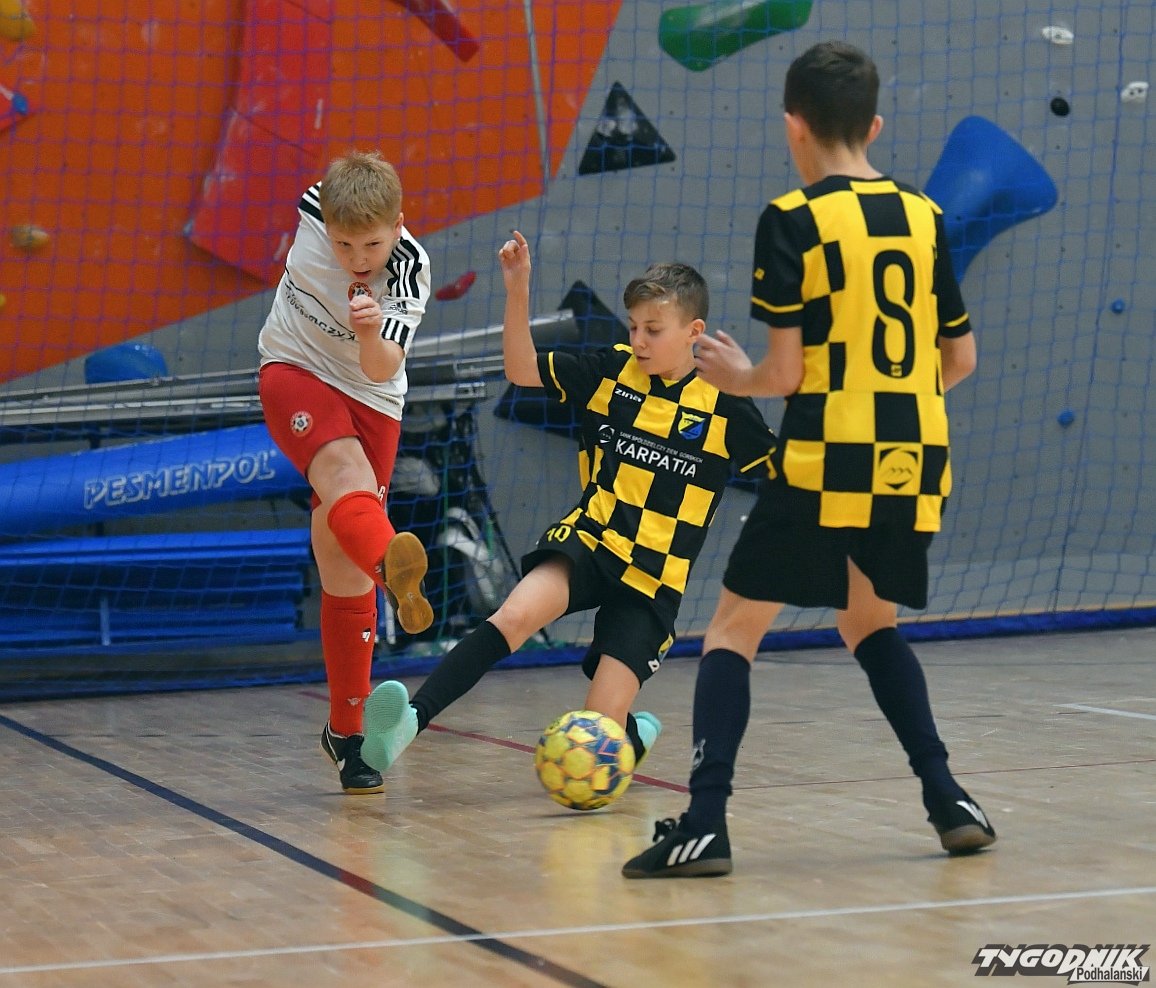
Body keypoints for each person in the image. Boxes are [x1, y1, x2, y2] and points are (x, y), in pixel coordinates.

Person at [622, 40, 991, 879]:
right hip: (914, 459)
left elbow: (783, 375)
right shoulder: (924, 215)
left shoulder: (794, 217)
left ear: (793, 125)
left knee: (733, 629)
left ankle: (705, 823)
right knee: (868, 621)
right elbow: (961, 359)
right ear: (874, 125)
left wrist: (735, 377)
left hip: (827, 455)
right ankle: (949, 799)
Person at [357, 230, 780, 781]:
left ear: (693, 332)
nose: (639, 340)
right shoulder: (612, 371)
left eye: (653, 330)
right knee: (513, 617)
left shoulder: (725, 404)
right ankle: (408, 723)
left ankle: (629, 733)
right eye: (634, 327)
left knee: (597, 735)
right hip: (591, 541)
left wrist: (760, 382)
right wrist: (518, 289)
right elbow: (521, 370)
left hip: (652, 580)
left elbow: (790, 471)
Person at [257, 149, 435, 796]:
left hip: (372, 394)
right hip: (293, 369)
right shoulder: (313, 204)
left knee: (340, 561)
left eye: (372, 245)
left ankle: (346, 734)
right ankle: (394, 566)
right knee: (342, 475)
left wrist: (367, 332)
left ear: (398, 226)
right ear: (324, 223)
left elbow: (384, 366)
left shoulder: (410, 269)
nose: (358, 258)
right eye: (343, 244)